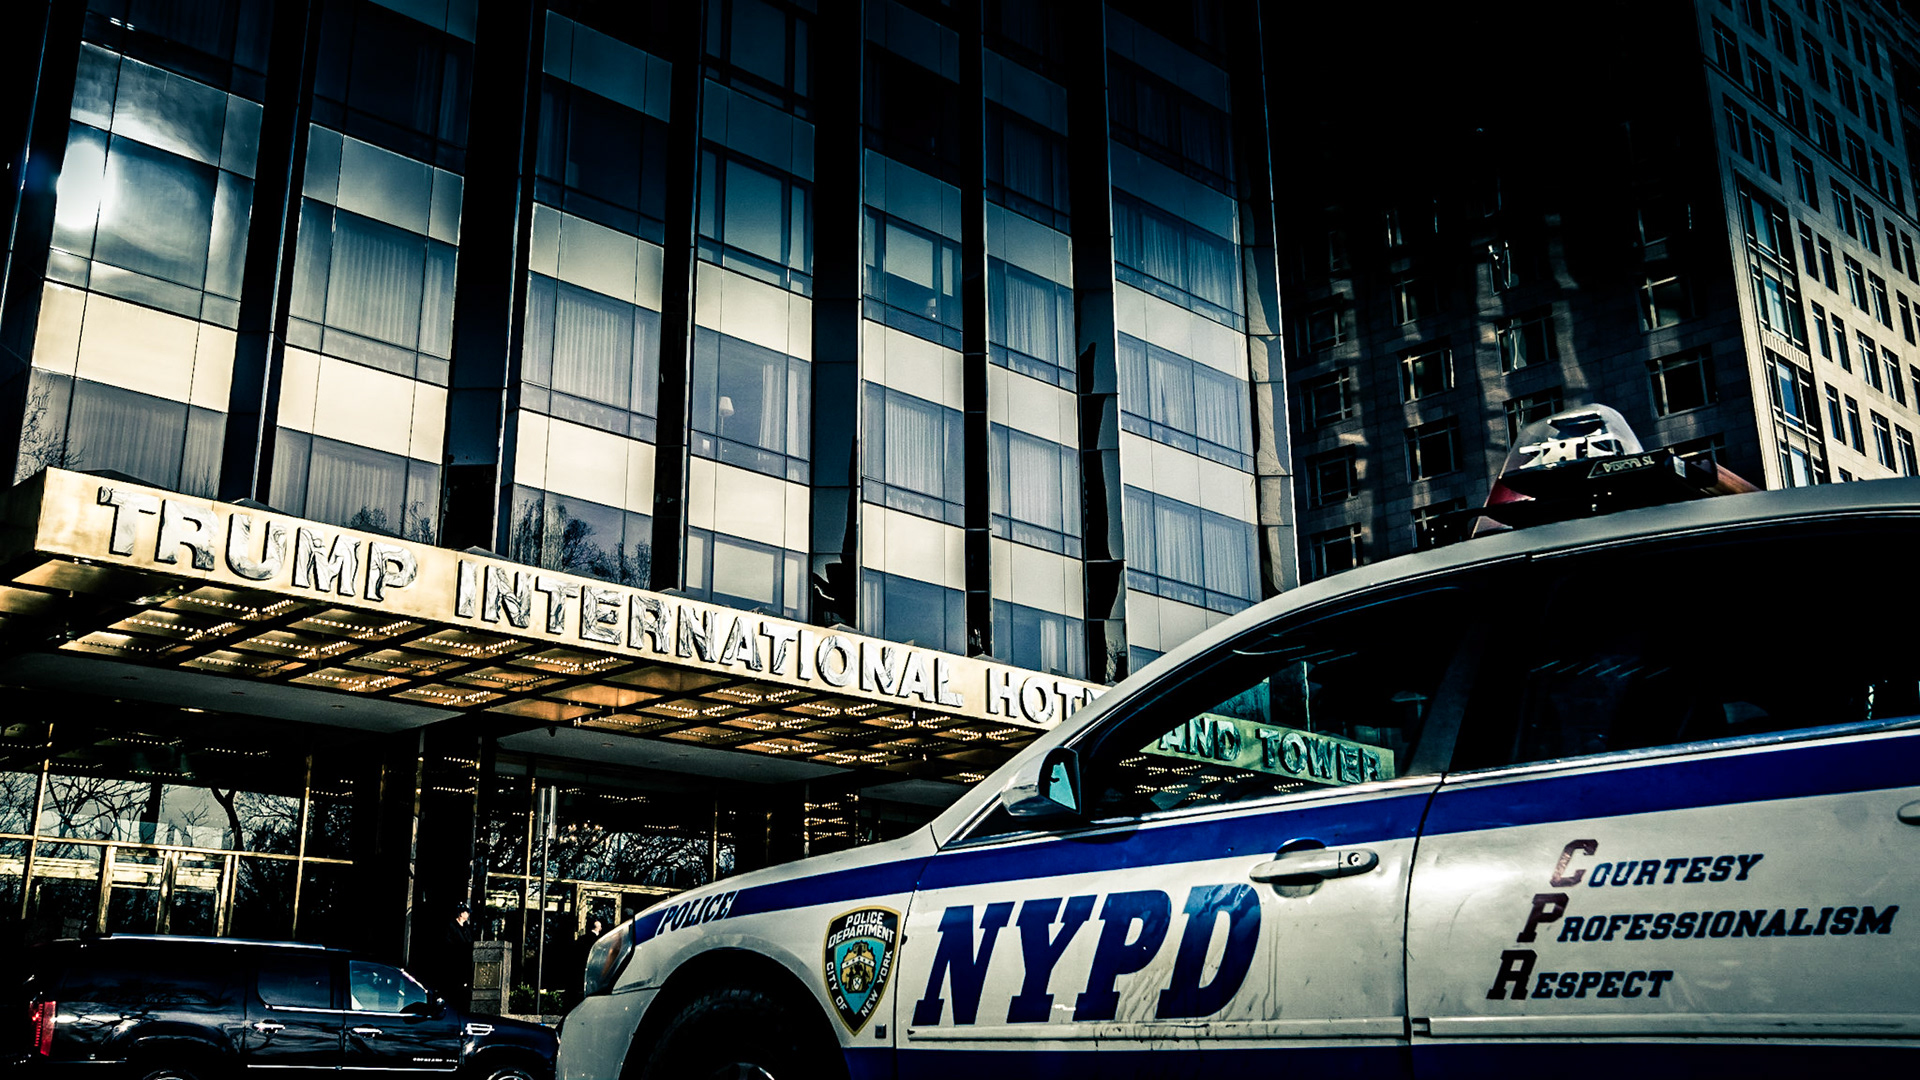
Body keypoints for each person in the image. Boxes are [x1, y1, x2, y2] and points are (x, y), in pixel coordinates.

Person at [439, 901, 474, 1011]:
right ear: (461, 913)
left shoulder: (467, 928)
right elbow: (447, 943)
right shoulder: (451, 926)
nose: (468, 915)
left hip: (465, 963)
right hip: (453, 963)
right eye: (466, 912)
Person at [572, 915, 608, 1004]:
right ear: (599, 929)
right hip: (593, 968)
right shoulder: (599, 942)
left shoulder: (581, 939)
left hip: (579, 967)